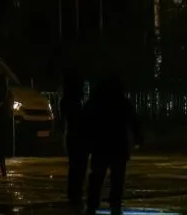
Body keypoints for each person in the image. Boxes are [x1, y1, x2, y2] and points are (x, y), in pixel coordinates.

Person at [83, 78, 143, 215]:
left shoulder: (95, 102)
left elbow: (85, 122)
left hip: (100, 144)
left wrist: (85, 142)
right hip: (117, 144)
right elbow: (134, 120)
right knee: (117, 177)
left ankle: (92, 203)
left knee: (97, 176)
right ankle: (114, 203)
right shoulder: (121, 101)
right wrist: (139, 138)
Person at [60, 76, 88, 211]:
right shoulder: (75, 104)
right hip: (78, 137)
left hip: (73, 137)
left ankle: (74, 193)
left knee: (75, 167)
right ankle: (75, 194)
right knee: (79, 167)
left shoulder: (67, 102)